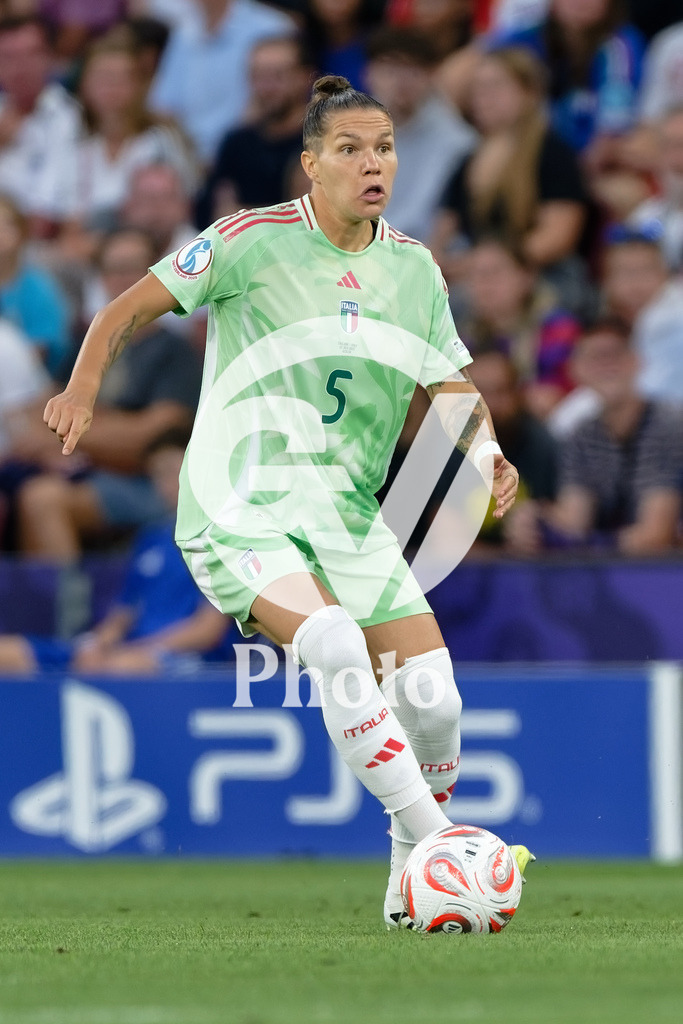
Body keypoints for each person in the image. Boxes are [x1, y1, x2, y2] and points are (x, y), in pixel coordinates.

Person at [43, 76, 526, 929]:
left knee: (436, 700)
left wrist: (485, 454)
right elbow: (127, 306)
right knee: (334, 644)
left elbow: (451, 387)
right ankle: (444, 844)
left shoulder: (412, 269)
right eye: (350, 149)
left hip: (345, 517)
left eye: (382, 147)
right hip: (241, 508)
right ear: (311, 165)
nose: (372, 163)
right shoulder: (248, 242)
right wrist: (82, 390)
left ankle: (407, 876)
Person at [17, 228, 203, 561]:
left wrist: (70, 434)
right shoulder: (86, 341)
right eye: (114, 269)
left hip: (151, 484)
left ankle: (69, 609)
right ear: (101, 277)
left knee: (42, 499)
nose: (124, 279)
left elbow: (148, 440)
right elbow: (35, 416)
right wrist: (108, 427)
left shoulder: (175, 353)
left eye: (134, 268)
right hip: (84, 473)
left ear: (156, 272)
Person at [0, 425, 230, 673]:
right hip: (126, 650)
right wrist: (95, 646)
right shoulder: (151, 539)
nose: (165, 484)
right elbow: (122, 615)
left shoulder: (226, 539)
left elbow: (207, 631)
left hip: (183, 657)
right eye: (156, 475)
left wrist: (134, 650)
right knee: (8, 654)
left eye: (172, 471)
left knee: (119, 667)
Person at [506, 319, 683, 555]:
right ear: (575, 370)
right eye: (594, 358)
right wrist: (535, 520)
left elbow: (656, 535)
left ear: (636, 361)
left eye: (614, 355)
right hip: (619, 566)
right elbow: (575, 518)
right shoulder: (582, 435)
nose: (606, 366)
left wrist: (584, 543)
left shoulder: (669, 425)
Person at [430, 46, 587, 308]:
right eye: (477, 89)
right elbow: (442, 231)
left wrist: (490, 265)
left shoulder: (553, 153)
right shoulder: (468, 159)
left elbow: (558, 235)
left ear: (529, 93)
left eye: (495, 87)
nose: (483, 98)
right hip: (479, 273)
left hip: (541, 274)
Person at [363, 26, 476, 242]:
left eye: (413, 69)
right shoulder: (346, 131)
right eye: (391, 68)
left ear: (432, 75)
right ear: (368, 74)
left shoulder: (458, 141)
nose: (402, 81)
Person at [149, 0, 297, 165]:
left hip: (255, 155)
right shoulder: (184, 30)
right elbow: (162, 107)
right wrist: (187, 159)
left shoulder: (273, 27)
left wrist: (226, 152)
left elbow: (281, 98)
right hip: (188, 162)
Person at [195, 35, 314, 225]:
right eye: (257, 76)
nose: (266, 88)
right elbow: (210, 214)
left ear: (304, 77)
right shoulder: (236, 143)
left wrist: (244, 217)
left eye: (277, 76)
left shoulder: (321, 142)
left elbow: (312, 219)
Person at [0, 13, 82, 233]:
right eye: (8, 57)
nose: (20, 67)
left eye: (30, 55)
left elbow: (46, 215)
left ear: (50, 58)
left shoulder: (67, 114)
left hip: (37, 241)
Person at [0, 192, 72, 376]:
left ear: (21, 232)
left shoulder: (38, 287)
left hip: (28, 381)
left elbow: (41, 351)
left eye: (7, 224)